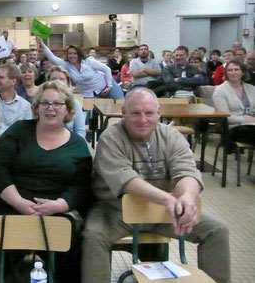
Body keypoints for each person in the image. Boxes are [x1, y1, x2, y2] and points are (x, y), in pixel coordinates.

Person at [81, 88, 230, 283]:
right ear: (124, 113)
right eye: (136, 113)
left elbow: (186, 171)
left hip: (162, 210)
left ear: (158, 113)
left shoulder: (172, 136)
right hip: (116, 210)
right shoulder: (110, 138)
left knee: (217, 230)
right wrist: (167, 198)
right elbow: (127, 181)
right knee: (93, 236)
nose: (143, 119)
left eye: (149, 113)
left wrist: (187, 196)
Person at [0, 80, 92, 283]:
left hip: (55, 207)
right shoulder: (18, 131)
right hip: (10, 201)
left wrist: (59, 205)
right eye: (45, 103)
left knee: (70, 248)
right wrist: (19, 202)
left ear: (67, 109)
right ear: (37, 107)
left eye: (57, 104)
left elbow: (81, 185)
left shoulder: (78, 145)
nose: (50, 108)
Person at [38, 36, 124, 99]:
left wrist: (109, 85)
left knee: (121, 105)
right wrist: (42, 44)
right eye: (70, 53)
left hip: (106, 85)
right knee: (90, 117)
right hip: (89, 94)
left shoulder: (88, 61)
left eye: (74, 53)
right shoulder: (67, 65)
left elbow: (106, 69)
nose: (72, 55)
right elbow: (52, 58)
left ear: (79, 54)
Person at [212, 60, 255, 144]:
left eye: (236, 69)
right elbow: (226, 118)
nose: (233, 72)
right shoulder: (220, 90)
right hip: (233, 127)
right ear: (226, 73)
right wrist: (249, 119)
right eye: (230, 70)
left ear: (243, 72)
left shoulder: (251, 88)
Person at [47, 67, 86, 138]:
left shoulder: (75, 103)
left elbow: (80, 131)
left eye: (61, 79)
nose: (57, 82)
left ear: (68, 83)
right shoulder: (42, 103)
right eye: (54, 79)